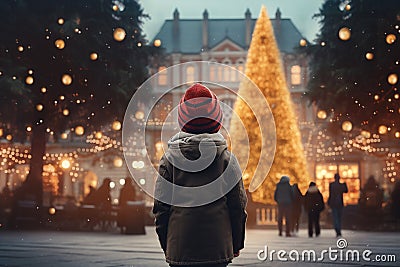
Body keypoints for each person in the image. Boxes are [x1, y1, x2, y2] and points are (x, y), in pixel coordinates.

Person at [152, 83, 247, 267]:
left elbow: (161, 210)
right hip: (217, 247)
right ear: (216, 121)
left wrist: (169, 245)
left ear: (183, 121)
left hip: (180, 247)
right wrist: (235, 244)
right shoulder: (227, 160)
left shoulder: (169, 160)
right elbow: (238, 207)